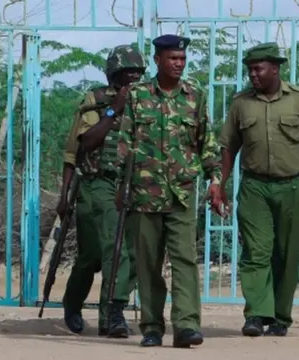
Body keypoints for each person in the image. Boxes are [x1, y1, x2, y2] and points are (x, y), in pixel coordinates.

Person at [116, 34, 224, 348]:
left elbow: (207, 143)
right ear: (158, 60)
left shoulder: (195, 95)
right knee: (148, 263)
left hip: (183, 192)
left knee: (185, 260)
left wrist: (215, 180)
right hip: (144, 193)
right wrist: (121, 187)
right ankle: (151, 327)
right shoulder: (138, 95)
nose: (179, 64)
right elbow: (125, 144)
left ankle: (187, 325)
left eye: (182, 59)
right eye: (172, 58)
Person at [217, 42, 299, 337]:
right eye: (250, 69)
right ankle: (256, 314)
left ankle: (280, 317)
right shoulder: (241, 103)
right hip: (254, 187)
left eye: (258, 69)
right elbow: (228, 147)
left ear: (275, 69)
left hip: (292, 186)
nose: (253, 75)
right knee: (256, 251)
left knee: (287, 253)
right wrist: (221, 184)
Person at [57, 44, 146, 338]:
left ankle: (112, 315)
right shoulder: (95, 102)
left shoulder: (148, 102)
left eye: (138, 72)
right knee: (95, 255)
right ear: (113, 74)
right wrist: (114, 110)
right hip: (98, 184)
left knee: (126, 253)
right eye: (127, 72)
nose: (133, 77)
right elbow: (82, 147)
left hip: (134, 185)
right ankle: (73, 302)